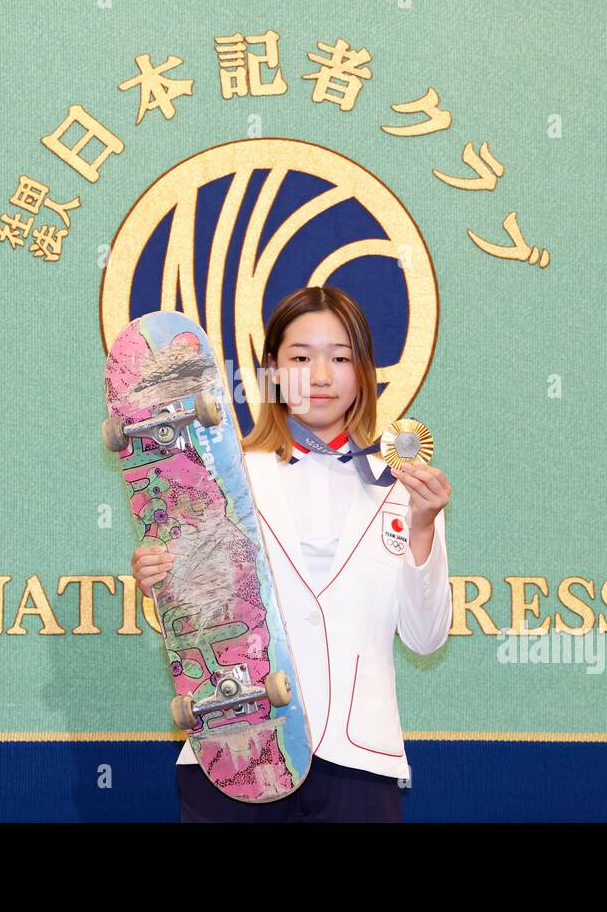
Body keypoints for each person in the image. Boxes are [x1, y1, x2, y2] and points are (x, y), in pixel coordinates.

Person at [131, 286, 453, 822]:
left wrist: (423, 527)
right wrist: (162, 581)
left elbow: (426, 638)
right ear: (272, 370)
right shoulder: (221, 477)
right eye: (301, 357)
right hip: (237, 750)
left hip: (358, 762)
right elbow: (197, 628)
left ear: (365, 372)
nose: (321, 376)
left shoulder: (404, 491)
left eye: (341, 357)